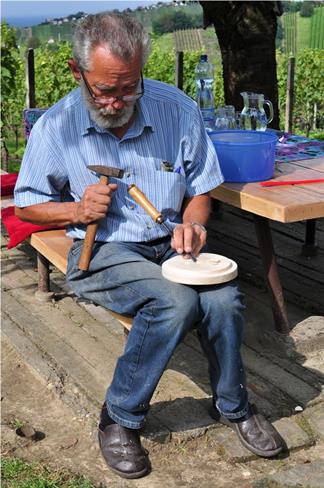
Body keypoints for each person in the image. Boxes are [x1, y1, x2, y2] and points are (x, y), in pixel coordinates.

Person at [14, 12, 284, 480]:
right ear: (79, 73)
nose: (118, 102)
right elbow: (26, 207)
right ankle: (119, 417)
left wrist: (194, 227)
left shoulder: (175, 108)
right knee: (174, 302)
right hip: (103, 251)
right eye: (105, 90)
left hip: (169, 243)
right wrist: (77, 211)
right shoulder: (56, 126)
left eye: (129, 87)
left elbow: (201, 187)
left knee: (223, 299)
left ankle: (233, 404)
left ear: (142, 69)